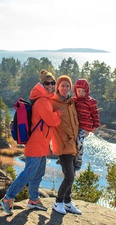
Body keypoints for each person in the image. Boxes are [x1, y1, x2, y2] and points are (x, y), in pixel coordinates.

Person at [0, 69, 62, 215]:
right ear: (42, 84)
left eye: (53, 83)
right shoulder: (42, 101)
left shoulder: (46, 99)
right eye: (47, 83)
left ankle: (33, 200)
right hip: (35, 145)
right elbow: (53, 121)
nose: (51, 85)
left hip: (41, 145)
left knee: (38, 173)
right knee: (28, 173)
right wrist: (58, 113)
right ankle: (7, 198)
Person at [51, 75, 82, 215]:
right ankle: (58, 202)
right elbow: (47, 120)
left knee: (72, 174)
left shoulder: (71, 102)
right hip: (62, 145)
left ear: (71, 88)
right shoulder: (53, 102)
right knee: (69, 176)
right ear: (58, 87)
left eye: (67, 86)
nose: (65, 88)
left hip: (73, 144)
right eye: (62, 85)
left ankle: (68, 202)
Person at [72, 79, 100, 171]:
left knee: (79, 141)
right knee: (70, 140)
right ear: (75, 91)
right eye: (78, 91)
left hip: (85, 127)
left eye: (83, 91)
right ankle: (66, 157)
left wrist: (95, 126)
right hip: (75, 125)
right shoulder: (73, 100)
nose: (81, 93)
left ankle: (79, 158)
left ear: (87, 91)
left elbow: (95, 114)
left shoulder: (90, 101)